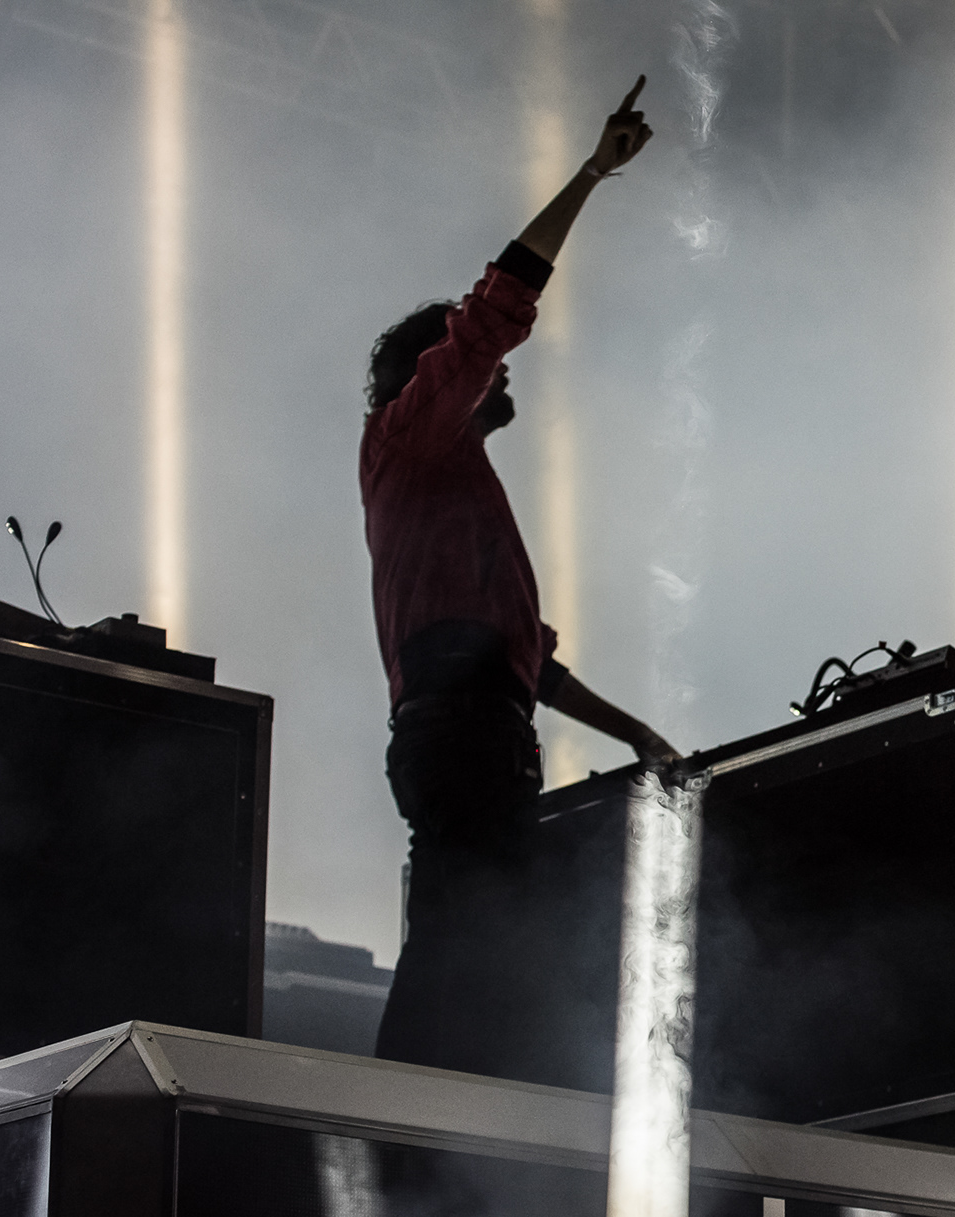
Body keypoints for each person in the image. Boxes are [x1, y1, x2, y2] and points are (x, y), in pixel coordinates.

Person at [361, 77, 679, 1076]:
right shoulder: (410, 438)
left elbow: (526, 661)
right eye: (480, 364)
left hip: (477, 735)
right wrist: (589, 175)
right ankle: (395, 1124)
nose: (503, 370)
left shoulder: (458, 484)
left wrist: (635, 732)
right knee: (461, 946)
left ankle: (424, 1125)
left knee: (475, 950)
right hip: (459, 736)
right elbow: (496, 311)